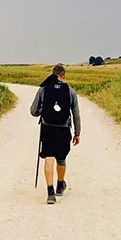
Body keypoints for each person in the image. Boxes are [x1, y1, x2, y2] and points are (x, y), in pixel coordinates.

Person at [31, 64, 80, 204]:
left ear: (53, 75)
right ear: (64, 76)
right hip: (63, 129)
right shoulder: (70, 91)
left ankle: (50, 193)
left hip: (47, 129)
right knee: (61, 158)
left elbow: (33, 111)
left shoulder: (43, 90)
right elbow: (76, 115)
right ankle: (60, 185)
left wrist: (44, 111)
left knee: (48, 157)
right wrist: (77, 133)